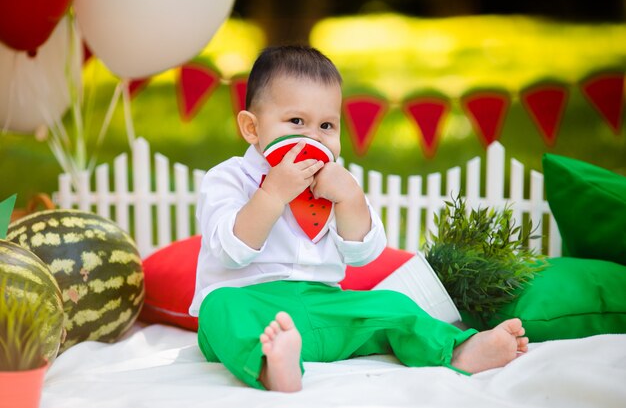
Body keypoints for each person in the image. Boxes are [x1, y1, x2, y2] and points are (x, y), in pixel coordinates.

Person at [189, 45, 528, 393]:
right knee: (218, 308)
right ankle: (270, 364)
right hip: (254, 304)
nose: (313, 136)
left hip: (325, 307)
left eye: (326, 125)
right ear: (251, 127)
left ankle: (456, 349)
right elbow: (232, 252)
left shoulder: (335, 181)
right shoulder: (228, 178)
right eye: (296, 121)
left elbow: (362, 254)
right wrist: (273, 194)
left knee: (390, 304)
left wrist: (350, 199)